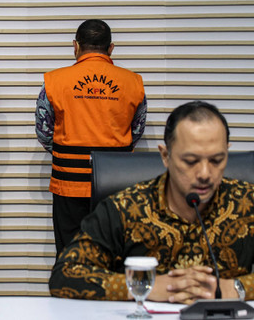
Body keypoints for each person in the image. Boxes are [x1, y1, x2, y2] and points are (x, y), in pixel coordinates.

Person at [49, 101, 253, 304]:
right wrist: (143, 286)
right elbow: (65, 274)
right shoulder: (125, 207)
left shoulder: (247, 202)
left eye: (217, 160)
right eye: (190, 161)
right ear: (165, 156)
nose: (205, 174)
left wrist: (235, 288)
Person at [35, 19, 147, 255]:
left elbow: (43, 131)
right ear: (111, 48)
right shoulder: (133, 83)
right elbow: (136, 130)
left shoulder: (54, 81)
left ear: (75, 46)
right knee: (114, 255)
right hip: (116, 182)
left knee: (69, 255)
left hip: (69, 183)